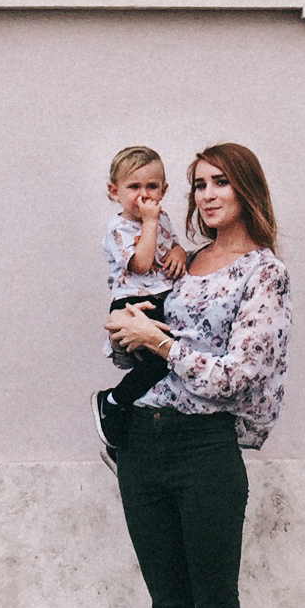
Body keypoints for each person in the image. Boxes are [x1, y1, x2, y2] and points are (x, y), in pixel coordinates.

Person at [104, 143, 291, 608]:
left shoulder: (262, 273)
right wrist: (131, 333)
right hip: (143, 447)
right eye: (198, 184)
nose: (207, 195)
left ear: (246, 190)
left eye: (220, 183)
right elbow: (128, 333)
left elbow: (236, 375)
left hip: (205, 450)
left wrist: (157, 344)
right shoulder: (179, 264)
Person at [93, 147, 187, 464]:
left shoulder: (161, 218)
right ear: (114, 191)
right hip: (134, 303)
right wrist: (149, 222)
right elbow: (143, 264)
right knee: (160, 362)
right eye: (134, 187)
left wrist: (179, 251)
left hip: (161, 299)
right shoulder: (118, 229)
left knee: (164, 374)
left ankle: (126, 445)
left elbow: (168, 245)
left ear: (164, 189)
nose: (144, 195)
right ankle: (112, 401)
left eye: (152, 187)